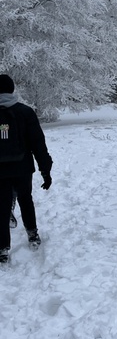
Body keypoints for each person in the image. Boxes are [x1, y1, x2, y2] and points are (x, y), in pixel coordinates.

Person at [0, 74, 52, 265]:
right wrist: (45, 170)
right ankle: (32, 234)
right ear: (12, 89)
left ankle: (2, 248)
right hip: (22, 167)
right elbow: (38, 143)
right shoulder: (25, 112)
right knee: (25, 200)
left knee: (2, 207)